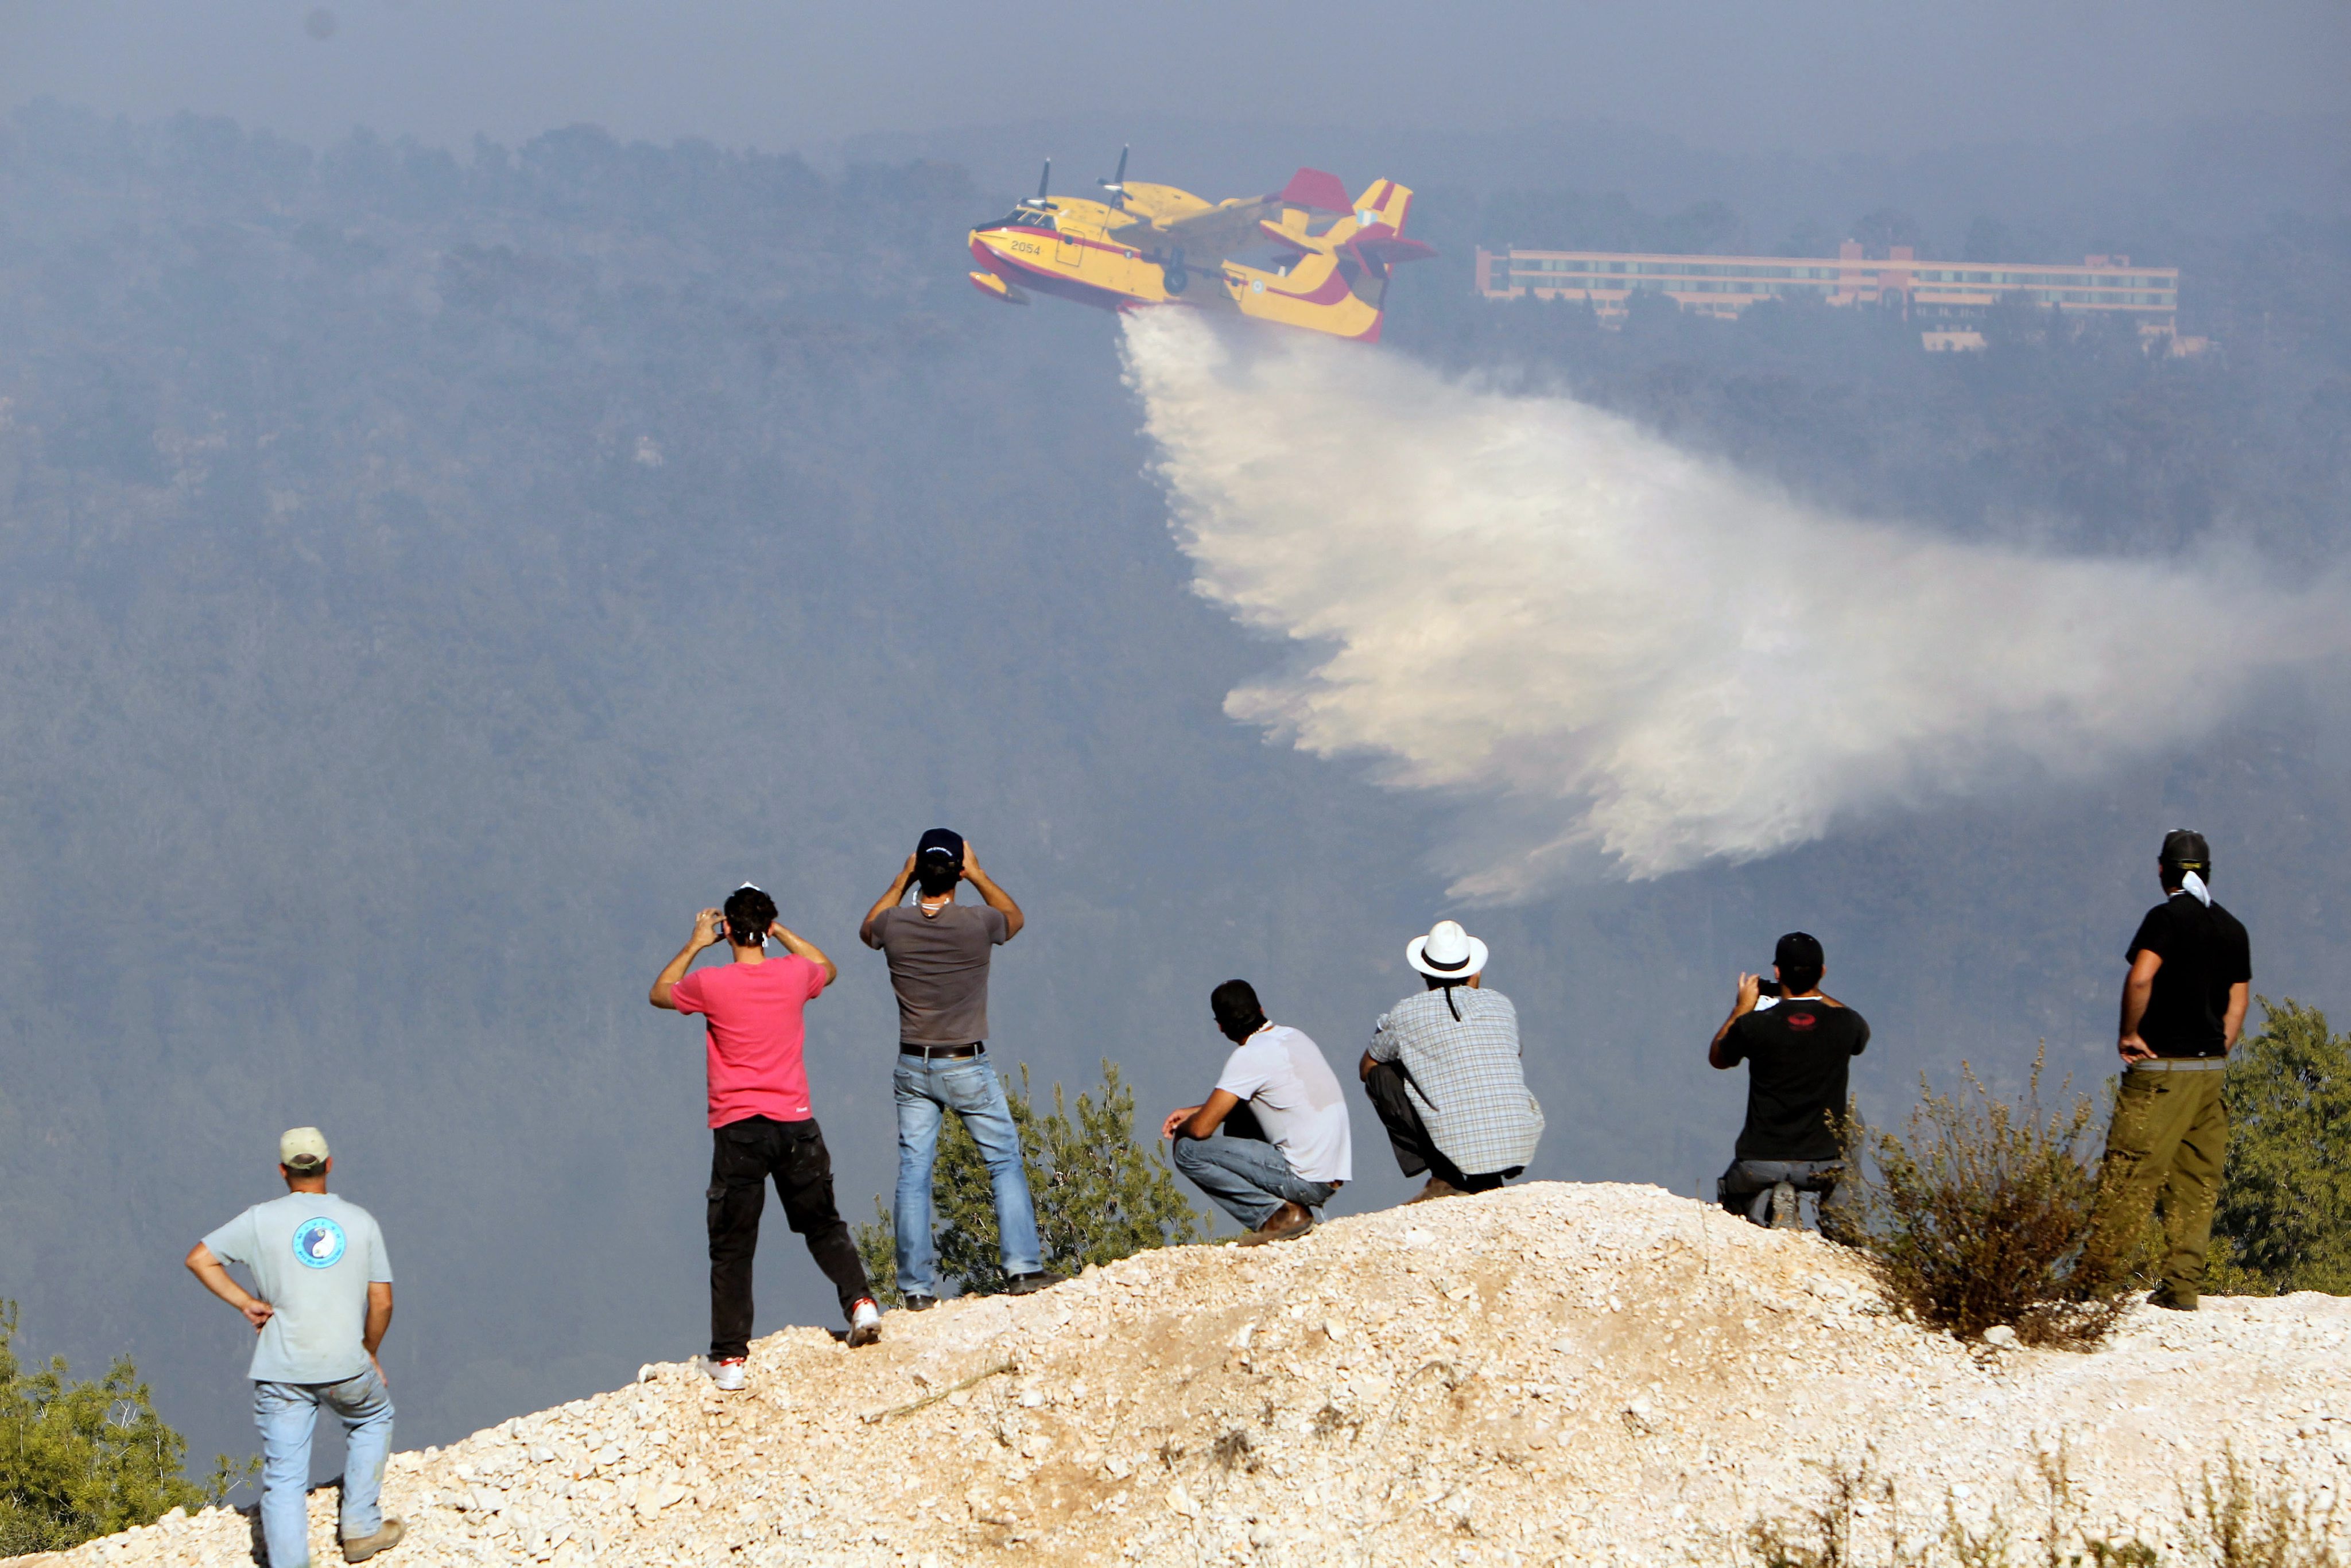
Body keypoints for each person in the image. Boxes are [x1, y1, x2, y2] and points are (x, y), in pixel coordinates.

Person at [650, 883, 880, 1391]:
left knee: (733, 1245)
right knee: (822, 1223)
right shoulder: (794, 974)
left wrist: (693, 944)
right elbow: (829, 967)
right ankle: (861, 1304)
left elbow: (660, 993)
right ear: (769, 929)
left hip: (739, 1130)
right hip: (797, 1123)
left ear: (726, 929)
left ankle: (730, 1359)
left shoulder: (711, 984)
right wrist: (782, 932)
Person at [185, 1128, 403, 1567]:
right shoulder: (361, 1223)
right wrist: (370, 1351)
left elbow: (199, 1258)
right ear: (330, 1165)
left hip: (281, 1368)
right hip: (345, 1364)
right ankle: (360, 1527)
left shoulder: (259, 1220)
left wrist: (246, 1302)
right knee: (373, 1418)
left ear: (283, 1171)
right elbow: (382, 1301)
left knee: (284, 1477)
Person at [862, 829, 1062, 1306]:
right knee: (1003, 1160)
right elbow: (1015, 918)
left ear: (918, 873)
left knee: (914, 1172)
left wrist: (899, 879)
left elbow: (868, 929)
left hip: (913, 1063)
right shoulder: (977, 923)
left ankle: (914, 1289)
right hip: (965, 1062)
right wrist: (980, 874)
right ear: (958, 873)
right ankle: (1022, 1268)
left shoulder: (894, 927)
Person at [2090, 829, 2252, 1311]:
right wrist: (2217, 1048)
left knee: (2131, 1174)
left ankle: (2095, 1285)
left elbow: (2141, 976)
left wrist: (2129, 1033)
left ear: (2162, 870)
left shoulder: (2164, 920)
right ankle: (2182, 1288)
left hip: (2161, 1070)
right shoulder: (2231, 927)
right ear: (2207, 871)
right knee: (2197, 1180)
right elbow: (2239, 1002)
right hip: (2210, 1070)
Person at [1360, 919, 1543, 1202]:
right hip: (1519, 1143)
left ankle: (1444, 1176)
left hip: (1458, 1142)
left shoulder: (1405, 1014)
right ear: (1475, 970)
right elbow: (1512, 1053)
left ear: (1423, 971)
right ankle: (1488, 1178)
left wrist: (1416, 1062)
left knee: (1382, 1077)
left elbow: (1368, 1069)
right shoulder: (1501, 1005)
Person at [1161, 979, 1353, 1244]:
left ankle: (1279, 1216)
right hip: (1332, 1174)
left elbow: (1201, 1129)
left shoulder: (1249, 1056)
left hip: (1305, 1179)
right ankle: (1289, 1209)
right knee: (1241, 1118)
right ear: (1261, 1009)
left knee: (1187, 1150)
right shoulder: (1293, 1037)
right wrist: (1196, 1110)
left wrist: (1185, 1125)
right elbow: (1250, 1101)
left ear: (1221, 1026)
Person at [1707, 931, 1869, 1233]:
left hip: (1758, 1165)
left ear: (1777, 972)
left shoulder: (1754, 1025)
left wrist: (1742, 1007)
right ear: (1822, 973)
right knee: (1853, 1118)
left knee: (1733, 1196)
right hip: (1821, 1167)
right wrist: (1813, 996)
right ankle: (1838, 1219)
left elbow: (1718, 1057)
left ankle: (1764, 1205)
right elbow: (1855, 1022)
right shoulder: (1846, 1025)